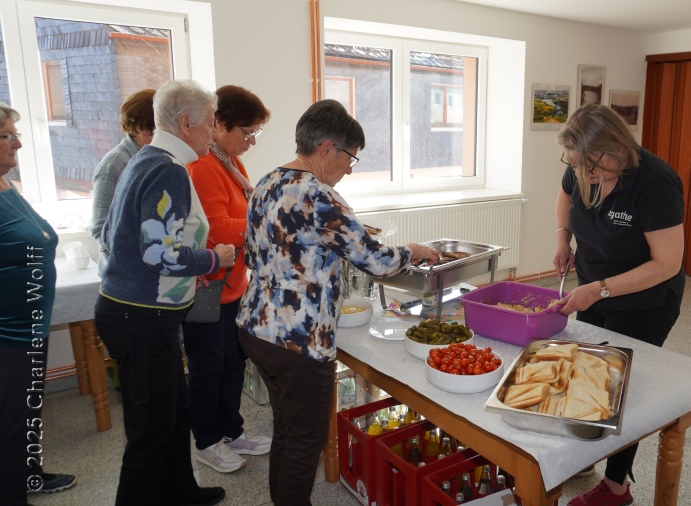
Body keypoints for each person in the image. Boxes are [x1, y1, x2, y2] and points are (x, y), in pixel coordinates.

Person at [235, 99, 440, 506]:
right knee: (305, 441)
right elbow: (377, 262)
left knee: (288, 430)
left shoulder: (267, 180)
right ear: (327, 147)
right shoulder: (320, 196)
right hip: (298, 341)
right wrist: (414, 249)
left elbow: (252, 253)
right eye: (351, 157)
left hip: (255, 325)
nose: (350, 167)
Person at [94, 80, 236, 506]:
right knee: (150, 432)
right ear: (186, 122)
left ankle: (179, 491)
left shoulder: (146, 159)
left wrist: (189, 264)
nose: (214, 132)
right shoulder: (167, 169)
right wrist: (214, 261)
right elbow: (160, 253)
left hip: (141, 312)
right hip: (141, 318)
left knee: (174, 416)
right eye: (211, 124)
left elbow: (115, 235)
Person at [554, 104, 685, 506]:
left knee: (620, 386)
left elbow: (667, 263)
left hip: (646, 298)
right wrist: (563, 239)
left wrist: (601, 289)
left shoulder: (655, 182)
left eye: (590, 167)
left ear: (614, 149)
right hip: (594, 282)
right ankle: (586, 453)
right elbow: (564, 198)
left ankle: (616, 487)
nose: (583, 175)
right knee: (587, 368)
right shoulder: (583, 165)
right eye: (575, 165)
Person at [184, 85, 272, 473]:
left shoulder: (230, 161)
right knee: (208, 366)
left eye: (256, 133)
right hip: (207, 287)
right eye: (247, 132)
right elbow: (217, 228)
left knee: (234, 364)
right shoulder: (202, 166)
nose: (251, 141)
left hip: (234, 283)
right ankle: (206, 440)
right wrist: (266, 223)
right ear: (219, 124)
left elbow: (245, 210)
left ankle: (231, 431)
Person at [0, 103, 76, 506]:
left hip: (31, 325)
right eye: (8, 136)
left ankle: (29, 477)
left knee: (28, 413)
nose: (18, 143)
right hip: (7, 332)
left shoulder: (7, 184)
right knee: (10, 423)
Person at [90, 88, 156, 270]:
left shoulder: (155, 160)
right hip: (123, 275)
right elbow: (100, 227)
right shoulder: (114, 165)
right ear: (144, 130)